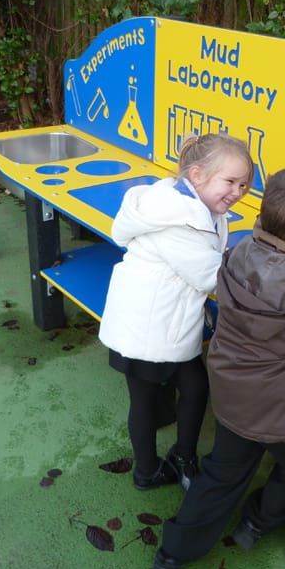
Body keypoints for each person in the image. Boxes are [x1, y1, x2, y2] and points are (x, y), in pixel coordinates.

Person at [153, 166, 285, 569]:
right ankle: (257, 521)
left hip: (229, 386)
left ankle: (172, 552)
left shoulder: (242, 249)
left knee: (222, 471)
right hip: (276, 405)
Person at [98, 132, 254, 492]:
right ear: (197, 175)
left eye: (244, 184)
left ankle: (182, 457)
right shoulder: (181, 222)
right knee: (147, 401)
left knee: (192, 386)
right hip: (148, 329)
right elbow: (210, 277)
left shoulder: (186, 203)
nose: (238, 192)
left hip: (157, 320)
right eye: (230, 182)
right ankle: (149, 471)